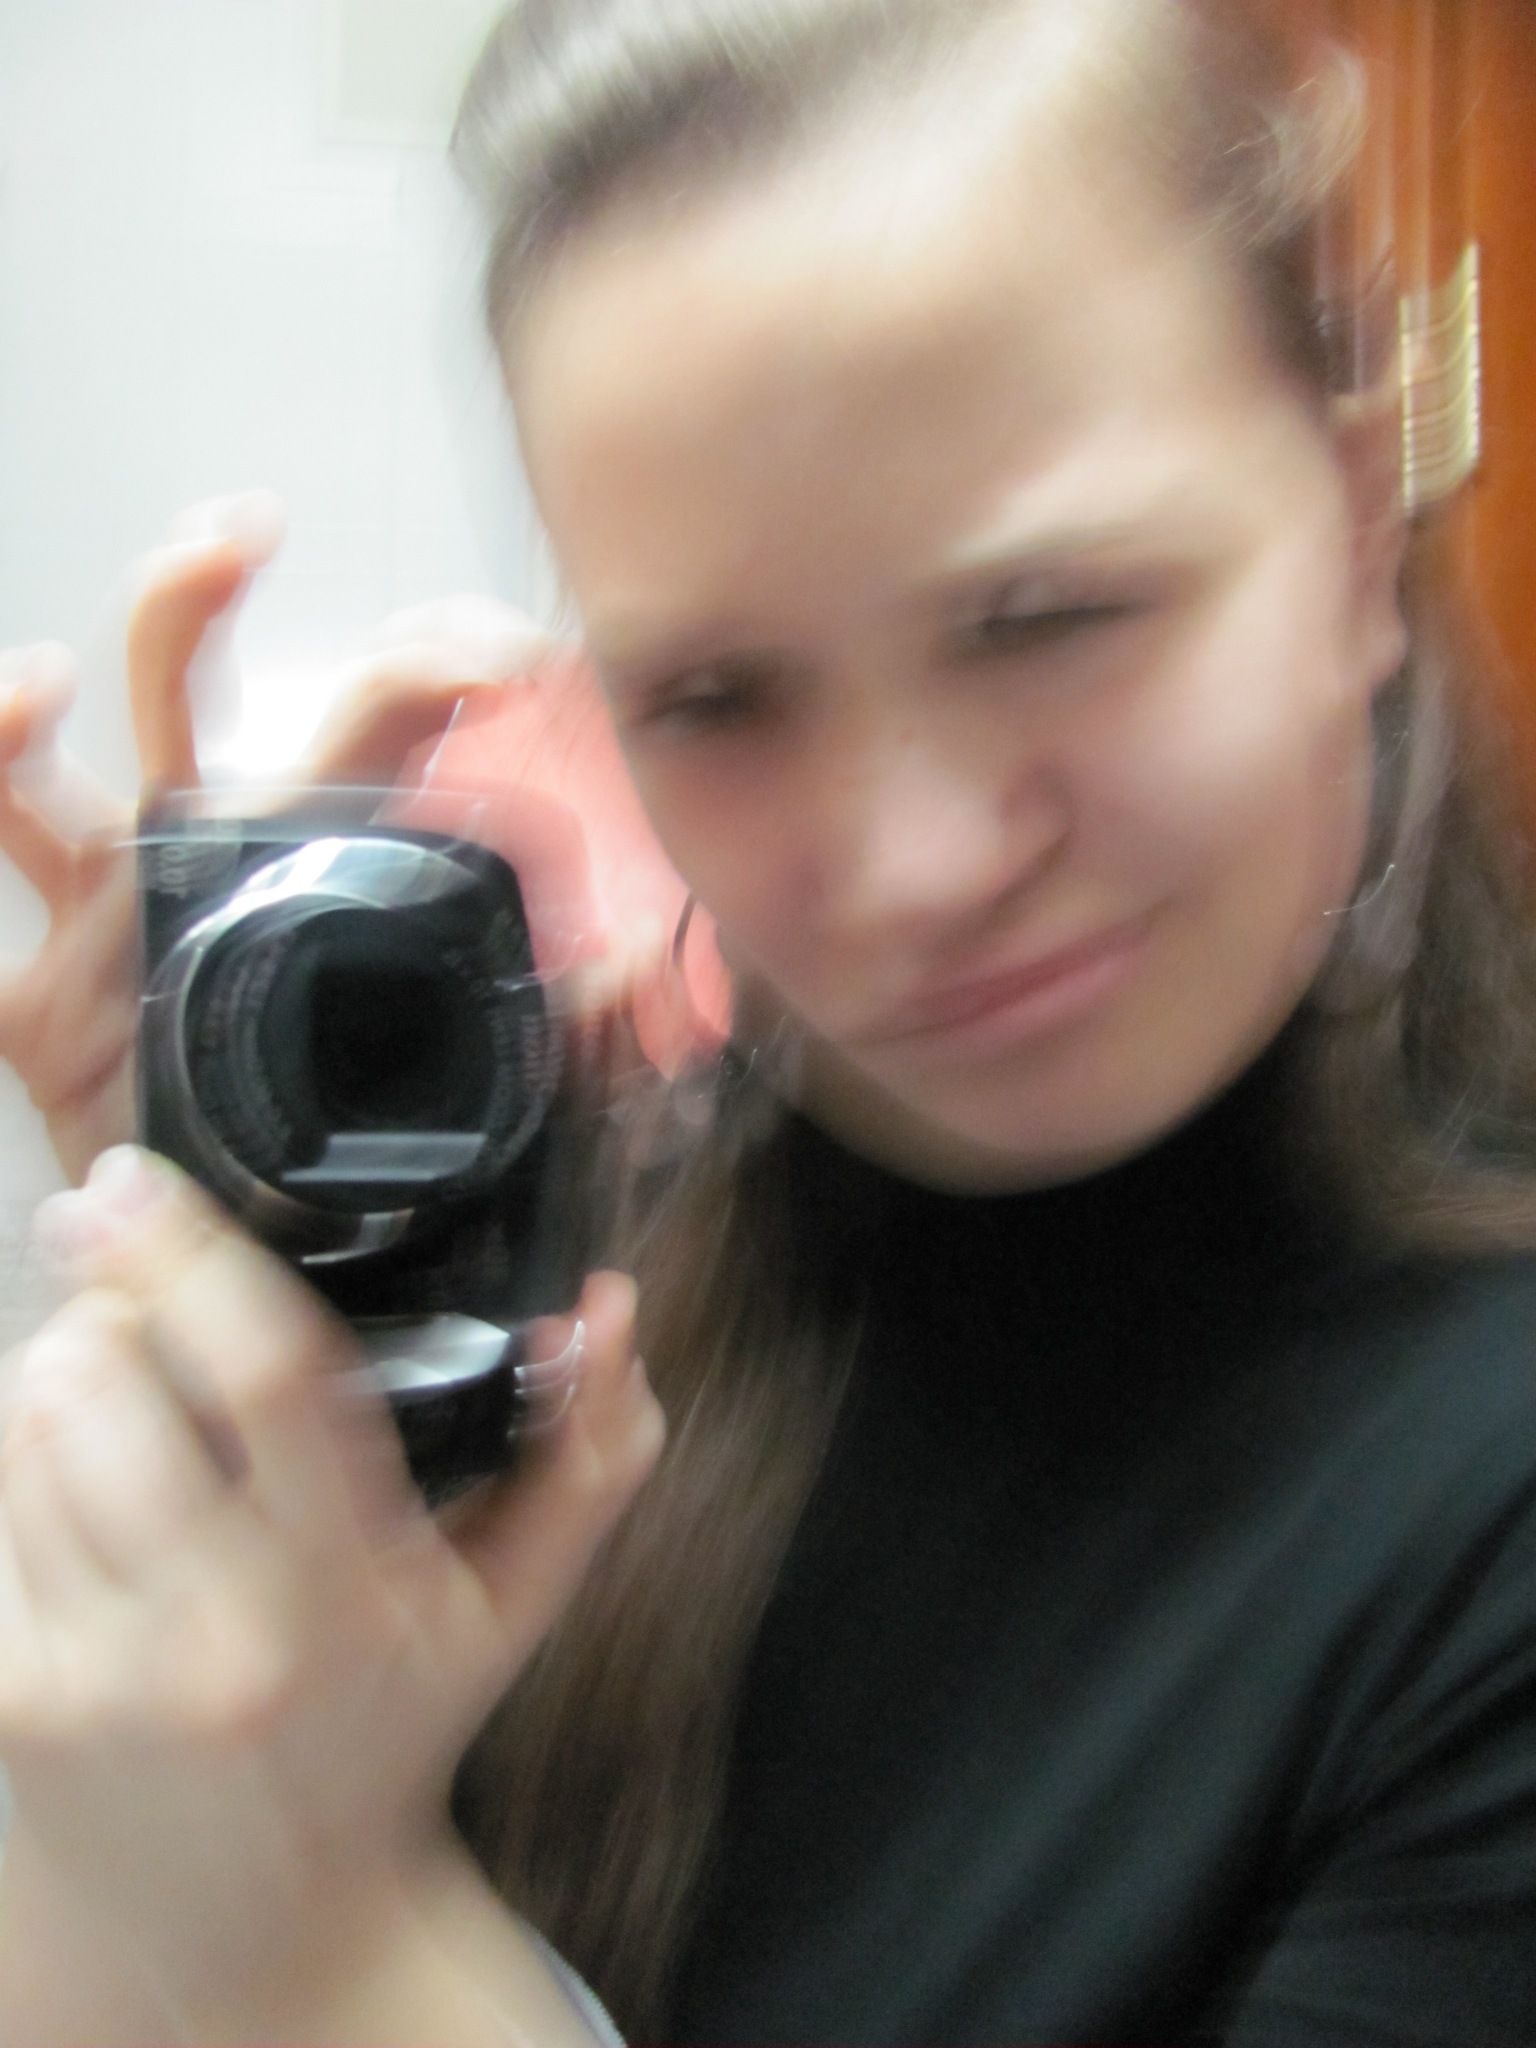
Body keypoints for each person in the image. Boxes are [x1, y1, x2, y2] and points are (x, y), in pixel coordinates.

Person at [2, 0, 1536, 2039]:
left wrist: (308, 1943)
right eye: (715, 698)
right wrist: (266, 1332)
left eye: (1050, 615)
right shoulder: (601, 1293)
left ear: (1354, 527)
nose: (910, 867)